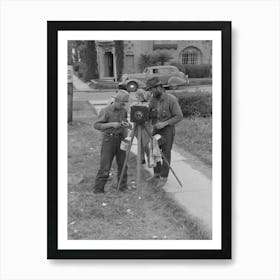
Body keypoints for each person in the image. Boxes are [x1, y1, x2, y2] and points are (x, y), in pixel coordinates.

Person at [146, 77, 183, 187]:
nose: (150, 92)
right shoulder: (152, 99)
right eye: (149, 90)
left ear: (159, 87)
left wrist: (164, 123)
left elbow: (179, 116)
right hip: (156, 129)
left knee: (165, 154)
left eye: (151, 89)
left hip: (167, 130)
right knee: (154, 152)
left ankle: (163, 177)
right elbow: (150, 113)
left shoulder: (171, 99)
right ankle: (156, 174)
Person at [93, 90, 130, 194]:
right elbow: (96, 125)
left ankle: (122, 187)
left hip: (121, 139)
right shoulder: (106, 110)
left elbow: (125, 121)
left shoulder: (124, 111)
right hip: (108, 140)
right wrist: (111, 124)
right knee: (105, 165)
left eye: (125, 103)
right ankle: (98, 190)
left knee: (123, 164)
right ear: (116, 100)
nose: (123, 106)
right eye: (122, 103)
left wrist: (125, 125)